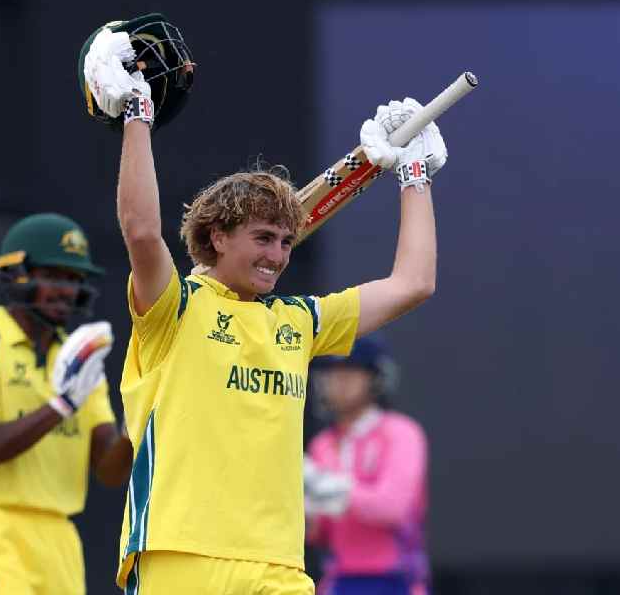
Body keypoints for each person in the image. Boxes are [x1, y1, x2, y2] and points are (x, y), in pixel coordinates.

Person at [88, 38, 448, 594]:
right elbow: (140, 231)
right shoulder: (174, 307)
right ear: (217, 236)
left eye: (285, 241)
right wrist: (137, 113)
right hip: (181, 556)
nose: (278, 256)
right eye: (262, 238)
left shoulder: (298, 321)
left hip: (278, 566)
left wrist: (415, 176)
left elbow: (413, 283)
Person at [0, 212, 134, 595]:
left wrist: (135, 426)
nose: (66, 290)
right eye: (54, 276)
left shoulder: (82, 365)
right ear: (16, 274)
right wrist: (62, 405)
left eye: (74, 279)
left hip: (60, 540)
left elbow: (110, 471)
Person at [305, 337, 430, 595]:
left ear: (377, 378)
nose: (338, 382)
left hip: (394, 580)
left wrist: (330, 488)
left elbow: (392, 507)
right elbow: (320, 532)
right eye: (331, 373)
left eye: (351, 372)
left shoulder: (401, 433)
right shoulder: (322, 445)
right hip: (339, 579)